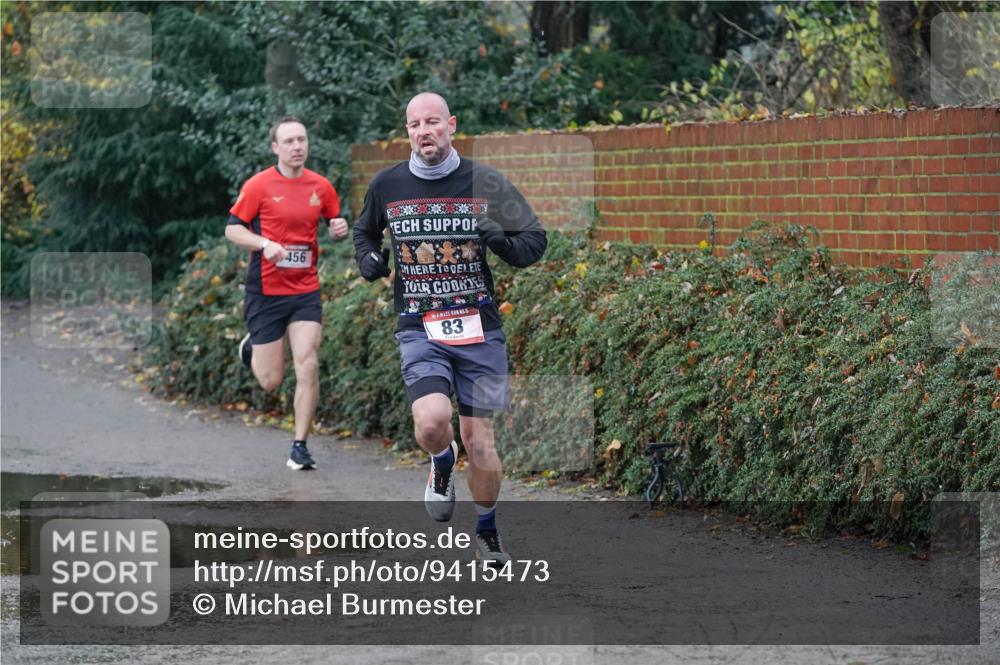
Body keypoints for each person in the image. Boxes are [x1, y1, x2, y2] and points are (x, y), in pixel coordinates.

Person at [353, 92, 547, 565]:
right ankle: (441, 461)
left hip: (478, 326)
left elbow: (535, 242)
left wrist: (498, 239)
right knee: (432, 422)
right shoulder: (388, 185)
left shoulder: (484, 182)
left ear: (452, 126)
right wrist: (368, 259)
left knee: (480, 440)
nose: (424, 132)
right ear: (409, 132)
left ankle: (487, 531)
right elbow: (365, 232)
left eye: (433, 122)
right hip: (420, 326)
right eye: (415, 124)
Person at [225, 115, 348, 470]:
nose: (297, 147)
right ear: (275, 147)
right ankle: (251, 347)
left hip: (305, 291)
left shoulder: (322, 186)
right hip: (265, 291)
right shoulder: (259, 185)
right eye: (290, 141)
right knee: (270, 381)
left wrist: (338, 227)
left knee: (307, 362)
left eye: (302, 140)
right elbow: (233, 230)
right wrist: (264, 243)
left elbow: (333, 222)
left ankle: (300, 446)